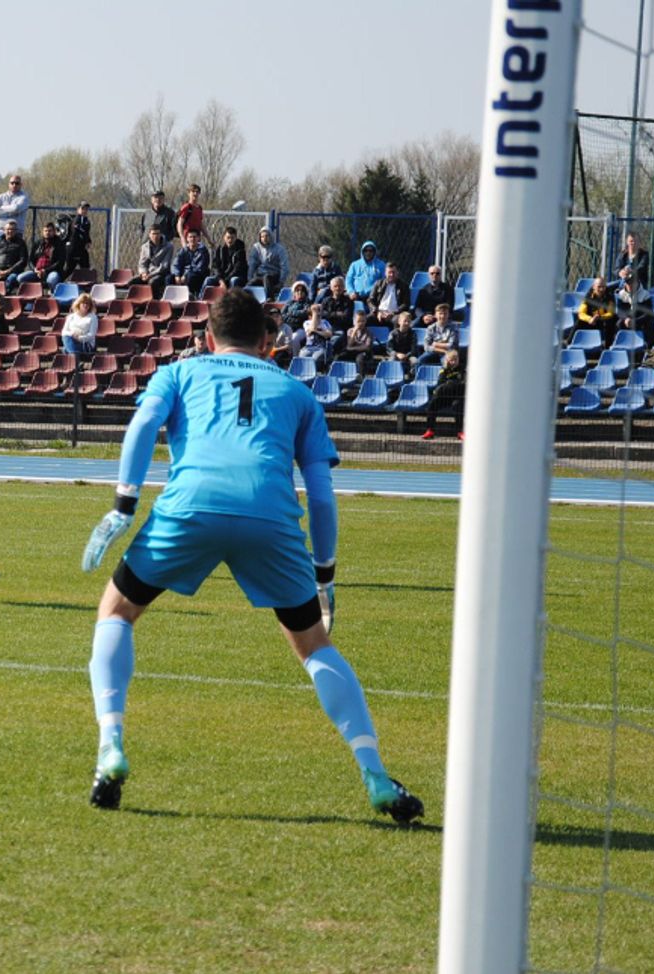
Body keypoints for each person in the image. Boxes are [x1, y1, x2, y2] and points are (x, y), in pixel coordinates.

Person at [78, 287, 423, 823]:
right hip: (270, 516)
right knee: (313, 645)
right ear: (268, 342)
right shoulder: (298, 393)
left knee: (117, 612)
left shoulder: (178, 373)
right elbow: (323, 495)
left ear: (207, 338)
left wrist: (124, 505)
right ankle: (376, 774)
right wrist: (325, 573)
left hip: (190, 506)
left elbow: (143, 425)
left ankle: (111, 747)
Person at [420, 348, 466, 441]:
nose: (453, 362)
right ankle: (430, 430)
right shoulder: (443, 370)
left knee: (457, 405)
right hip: (445, 396)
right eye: (451, 360)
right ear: (447, 360)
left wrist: (449, 384)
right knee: (432, 404)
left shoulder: (462, 369)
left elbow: (463, 385)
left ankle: (460, 432)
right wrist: (453, 384)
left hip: (458, 396)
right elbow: (440, 384)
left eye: (455, 360)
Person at [14, 222, 66, 292]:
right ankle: (32, 294)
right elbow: (30, 260)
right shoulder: (38, 243)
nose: (47, 233)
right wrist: (35, 269)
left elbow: (60, 262)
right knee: (20, 278)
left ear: (54, 232)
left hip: (51, 272)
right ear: (43, 232)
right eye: (45, 231)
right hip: (37, 271)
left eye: (50, 231)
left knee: (52, 279)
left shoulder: (59, 244)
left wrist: (45, 271)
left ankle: (53, 295)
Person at [247, 226, 289, 299]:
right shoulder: (256, 248)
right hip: (260, 275)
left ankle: (270, 299)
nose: (264, 238)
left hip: (274, 276)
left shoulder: (279, 249)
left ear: (271, 236)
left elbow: (284, 266)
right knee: (250, 284)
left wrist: (281, 282)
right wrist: (249, 277)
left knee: (267, 278)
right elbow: (252, 264)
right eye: (262, 236)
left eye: (267, 236)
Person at [0, 220, 29, 292]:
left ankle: (2, 297)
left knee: (11, 279)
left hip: (12, 271)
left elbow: (23, 260)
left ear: (16, 231)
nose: (10, 231)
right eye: (8, 229)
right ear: (4, 230)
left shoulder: (21, 243)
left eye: (12, 229)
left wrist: (9, 271)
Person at [615, 274, 654, 347]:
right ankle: (621, 343)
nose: (630, 285)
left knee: (650, 323)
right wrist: (626, 319)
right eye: (628, 283)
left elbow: (648, 314)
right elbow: (620, 311)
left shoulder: (645, 294)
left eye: (632, 283)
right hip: (628, 320)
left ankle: (647, 346)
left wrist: (635, 321)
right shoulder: (621, 294)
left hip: (640, 320)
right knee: (619, 323)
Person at [576, 277, 618, 346]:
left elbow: (611, 313)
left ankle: (608, 346)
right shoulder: (588, 296)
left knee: (612, 321)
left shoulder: (610, 295)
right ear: (593, 287)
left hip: (603, 319)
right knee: (579, 322)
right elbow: (581, 313)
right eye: (599, 287)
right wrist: (589, 319)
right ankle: (569, 342)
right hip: (591, 320)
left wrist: (600, 317)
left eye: (603, 287)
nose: (601, 289)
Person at [366, 262, 410, 327]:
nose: (391, 275)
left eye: (393, 272)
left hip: (394, 314)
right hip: (379, 312)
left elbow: (406, 304)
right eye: (389, 272)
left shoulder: (404, 286)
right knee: (364, 320)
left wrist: (393, 313)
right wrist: (377, 312)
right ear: (385, 273)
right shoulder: (378, 284)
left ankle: (395, 337)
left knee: (399, 321)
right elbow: (370, 300)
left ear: (397, 272)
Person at [0, 175, 29, 247]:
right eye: (12, 183)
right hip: (0, 231)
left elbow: (16, 209)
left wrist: (1, 209)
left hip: (16, 233)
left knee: (14, 257)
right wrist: (11, 211)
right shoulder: (0, 197)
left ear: (21, 185)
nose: (14, 185)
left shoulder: (24, 197)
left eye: (17, 183)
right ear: (9, 184)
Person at [169, 229, 211, 296]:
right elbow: (175, 264)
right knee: (169, 278)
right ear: (187, 239)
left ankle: (189, 296)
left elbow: (199, 268)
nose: (192, 239)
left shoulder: (203, 251)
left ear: (198, 238)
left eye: (194, 237)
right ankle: (172, 297)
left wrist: (185, 275)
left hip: (197, 275)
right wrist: (177, 275)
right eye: (190, 237)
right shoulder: (183, 250)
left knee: (191, 277)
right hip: (183, 274)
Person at [137, 224, 173, 299]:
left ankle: (154, 303)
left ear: (161, 234)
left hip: (161, 273)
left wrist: (150, 275)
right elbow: (142, 264)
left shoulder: (169, 246)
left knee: (152, 282)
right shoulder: (145, 247)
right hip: (147, 273)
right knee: (132, 282)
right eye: (153, 234)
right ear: (149, 235)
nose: (156, 236)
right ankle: (139, 302)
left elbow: (164, 266)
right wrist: (143, 273)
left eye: (158, 233)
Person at [338, 309, 375, 376]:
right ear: (354, 321)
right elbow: (349, 344)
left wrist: (350, 348)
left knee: (360, 358)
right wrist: (354, 332)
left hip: (364, 353)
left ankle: (361, 376)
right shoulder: (350, 331)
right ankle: (340, 374)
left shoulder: (369, 333)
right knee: (341, 356)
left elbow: (367, 347)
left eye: (363, 321)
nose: (361, 323)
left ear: (365, 321)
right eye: (358, 321)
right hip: (353, 352)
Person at [61, 292, 99, 357]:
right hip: (72, 339)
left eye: (88, 303)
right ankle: (75, 359)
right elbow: (64, 332)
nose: (85, 305)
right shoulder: (71, 316)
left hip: (86, 344)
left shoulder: (93, 317)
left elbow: (91, 335)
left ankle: (74, 358)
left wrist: (79, 338)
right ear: (79, 304)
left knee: (65, 349)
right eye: (83, 303)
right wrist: (72, 335)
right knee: (66, 337)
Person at [386, 311, 419, 378]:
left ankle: (411, 377)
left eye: (409, 321)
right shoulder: (393, 333)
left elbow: (413, 349)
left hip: (409, 355)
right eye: (405, 321)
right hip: (396, 355)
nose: (407, 323)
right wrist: (397, 354)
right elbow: (389, 348)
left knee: (415, 361)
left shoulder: (413, 334)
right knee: (392, 360)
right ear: (399, 322)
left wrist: (406, 356)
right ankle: (392, 376)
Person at [64, 201, 92, 274]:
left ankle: (86, 284)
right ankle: (57, 283)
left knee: (86, 269)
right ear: (78, 209)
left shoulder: (86, 221)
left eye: (86, 209)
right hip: (73, 249)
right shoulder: (75, 220)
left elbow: (86, 233)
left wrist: (88, 241)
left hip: (82, 249)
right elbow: (76, 231)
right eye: (83, 208)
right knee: (68, 270)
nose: (85, 211)